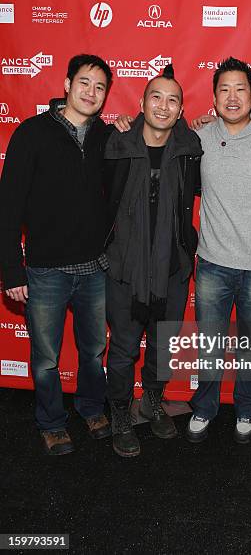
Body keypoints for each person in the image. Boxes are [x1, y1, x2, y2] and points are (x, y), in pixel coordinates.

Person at [0, 54, 113, 455]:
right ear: (66, 84)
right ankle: (50, 422)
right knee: (46, 357)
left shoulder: (106, 137)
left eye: (100, 87)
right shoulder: (31, 133)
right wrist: (12, 270)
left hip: (96, 269)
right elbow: (9, 206)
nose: (91, 92)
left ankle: (91, 408)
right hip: (46, 271)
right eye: (84, 82)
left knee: (93, 350)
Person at [186, 57, 251, 444]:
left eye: (240, 89)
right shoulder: (201, 137)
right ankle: (204, 407)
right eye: (224, 89)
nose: (232, 97)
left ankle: (247, 408)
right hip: (212, 263)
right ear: (214, 97)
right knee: (209, 346)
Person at [105, 65, 202, 457]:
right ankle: (120, 414)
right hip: (124, 269)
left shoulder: (190, 148)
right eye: (156, 97)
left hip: (172, 269)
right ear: (142, 103)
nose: (163, 106)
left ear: (180, 111)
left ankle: (152, 401)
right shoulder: (116, 147)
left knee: (162, 346)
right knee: (125, 348)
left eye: (172, 100)